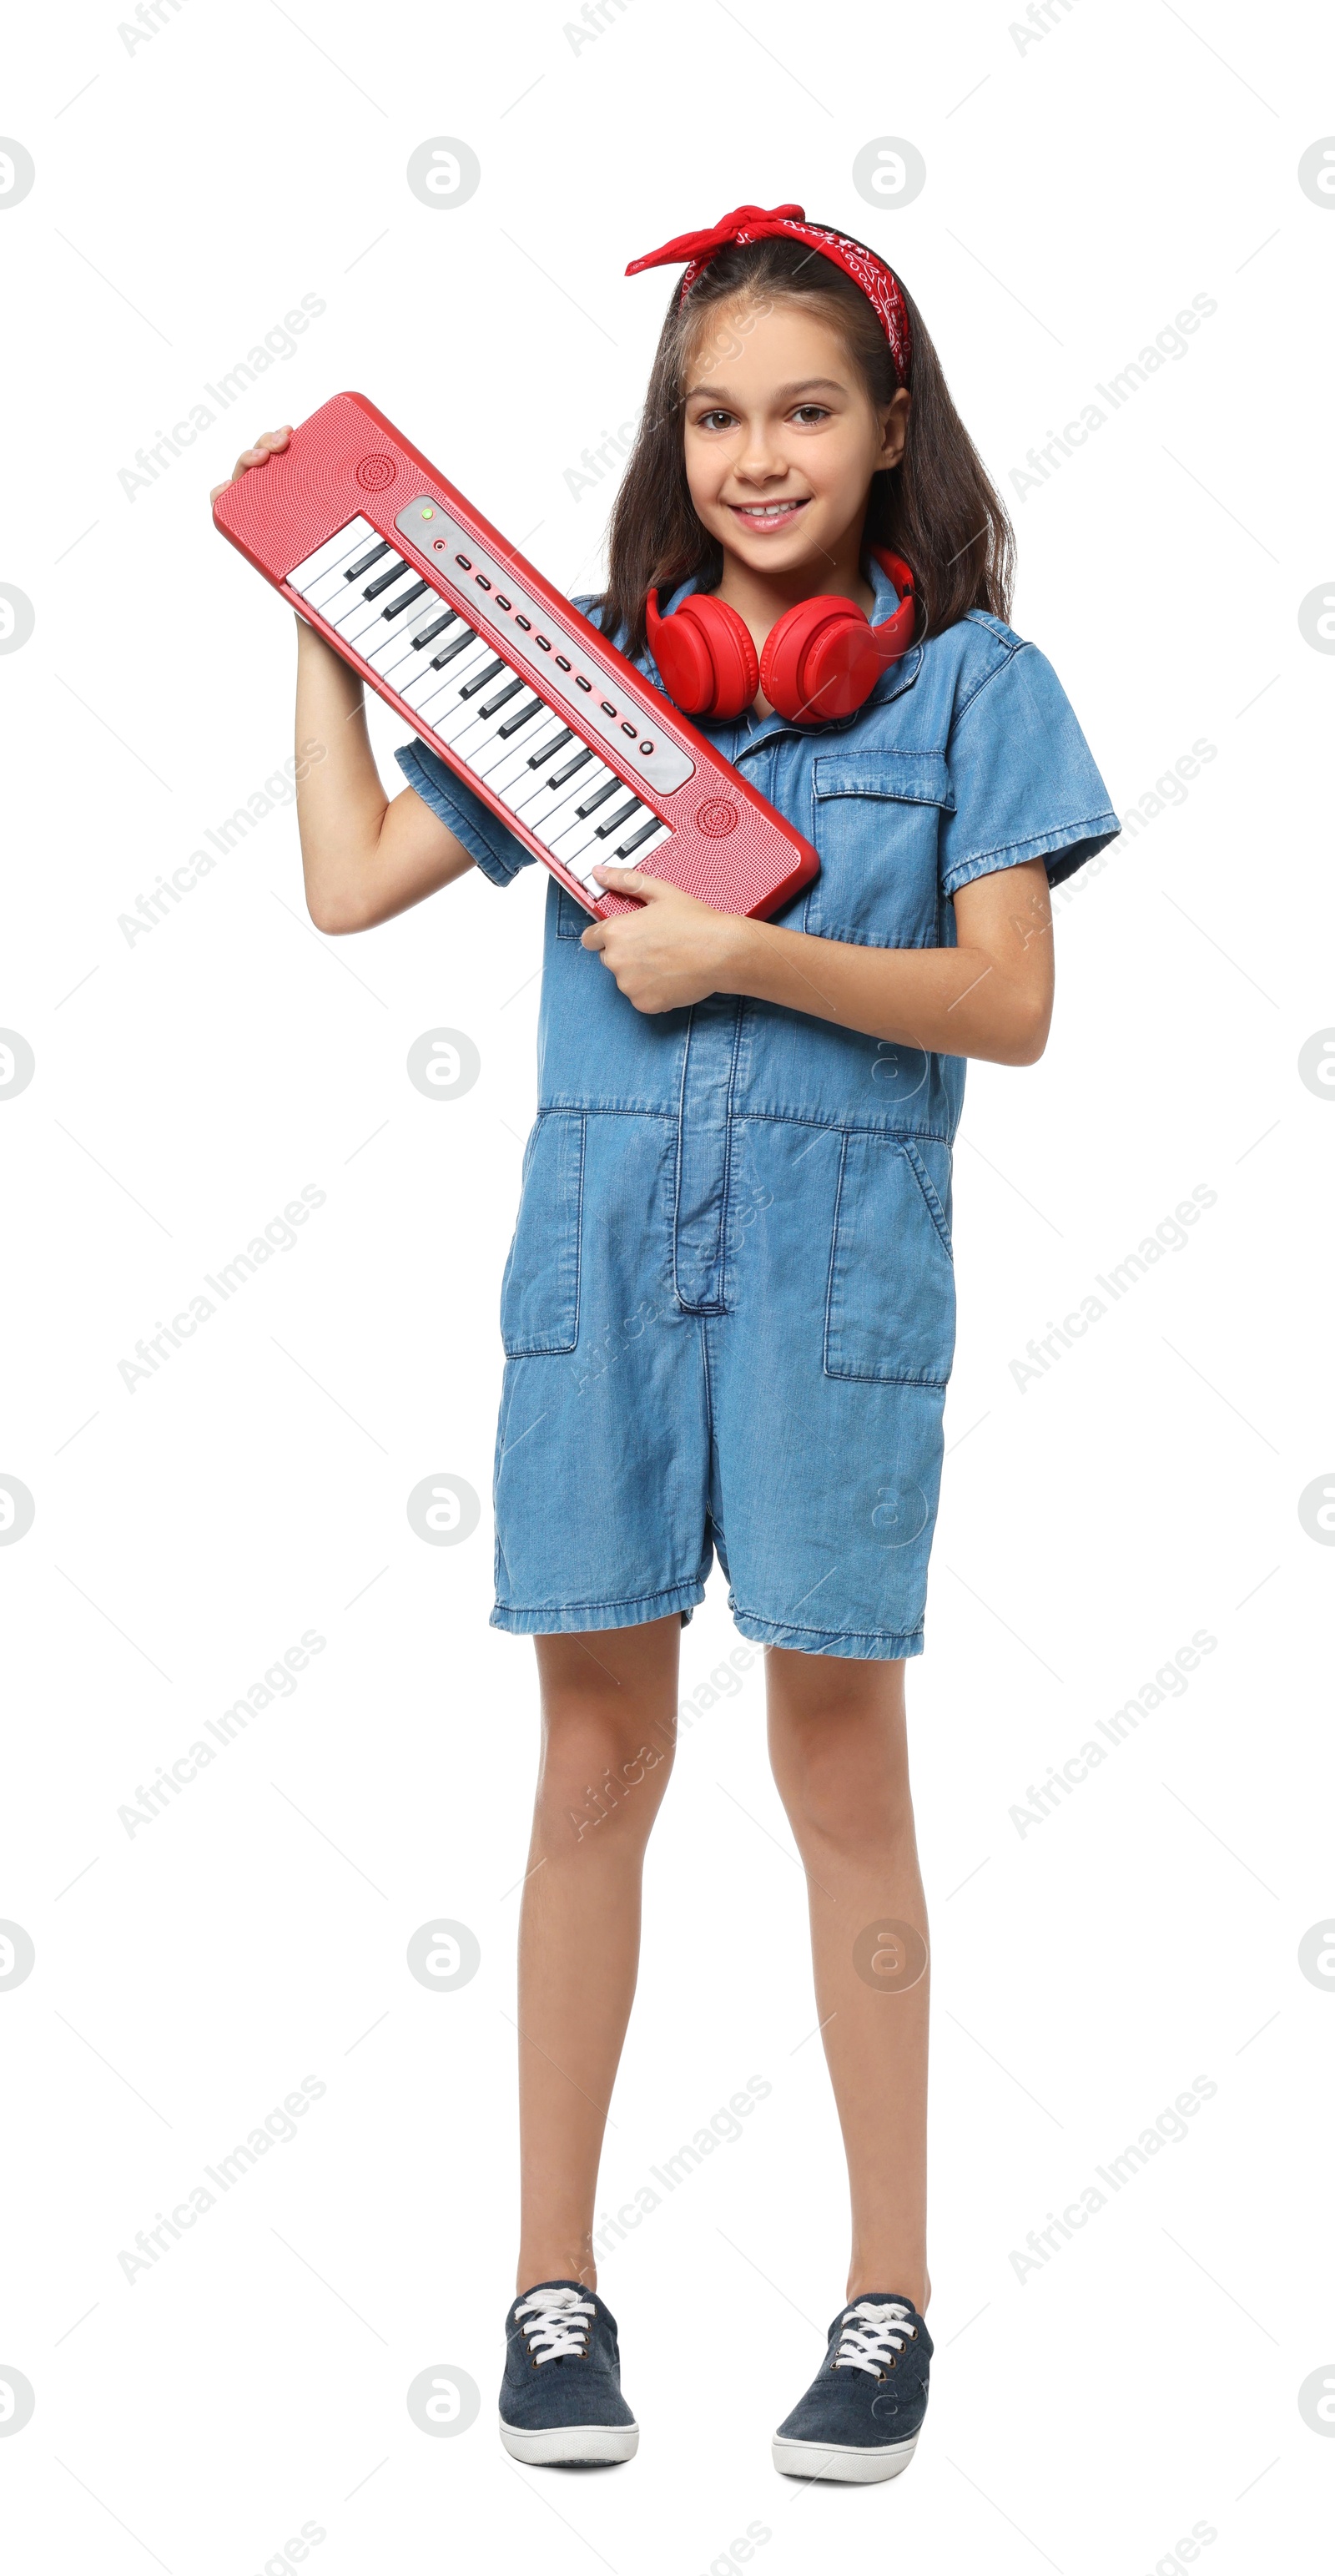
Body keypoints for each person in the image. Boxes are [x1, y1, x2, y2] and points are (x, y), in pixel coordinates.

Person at [212, 202, 1119, 2485]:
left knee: (842, 1785)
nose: (756, 454)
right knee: (592, 1774)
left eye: (805, 409)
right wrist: (326, 631)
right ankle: (553, 2288)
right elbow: (344, 885)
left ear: (891, 425)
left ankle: (885, 2304)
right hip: (601, 1282)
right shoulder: (590, 678)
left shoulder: (977, 696)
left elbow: (1008, 1008)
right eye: (716, 416)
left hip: (835, 1300)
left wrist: (747, 957)